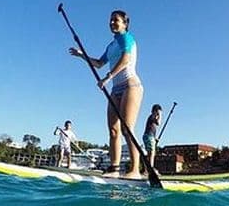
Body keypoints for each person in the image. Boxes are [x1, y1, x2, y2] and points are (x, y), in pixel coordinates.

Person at [69, 10, 144, 179]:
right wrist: (82, 56)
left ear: (125, 23)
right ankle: (114, 167)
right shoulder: (110, 46)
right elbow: (99, 64)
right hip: (115, 89)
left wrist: (108, 77)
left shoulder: (127, 38)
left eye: (115, 20)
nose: (111, 23)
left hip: (131, 86)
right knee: (113, 130)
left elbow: (125, 59)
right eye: (110, 20)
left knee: (127, 129)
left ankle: (135, 170)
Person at [143, 104, 163, 168]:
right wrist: (160, 116)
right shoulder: (152, 116)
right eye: (158, 112)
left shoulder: (151, 117)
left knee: (149, 153)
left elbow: (151, 129)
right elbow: (158, 123)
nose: (158, 114)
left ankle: (147, 169)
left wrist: (155, 138)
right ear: (154, 111)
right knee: (152, 153)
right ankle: (150, 168)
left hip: (149, 136)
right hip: (149, 136)